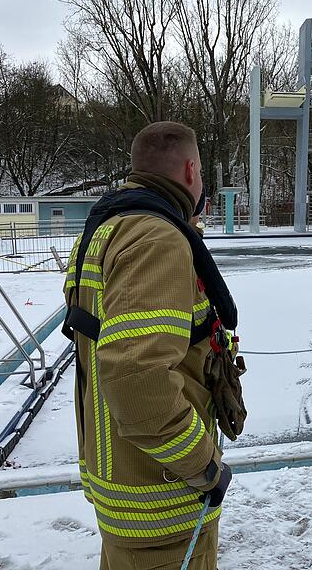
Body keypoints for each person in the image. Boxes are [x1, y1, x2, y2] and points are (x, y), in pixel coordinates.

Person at [63, 122, 238, 570]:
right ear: (191, 170)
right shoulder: (157, 239)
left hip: (123, 488)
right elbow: (136, 379)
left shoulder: (103, 232)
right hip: (163, 501)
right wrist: (204, 466)